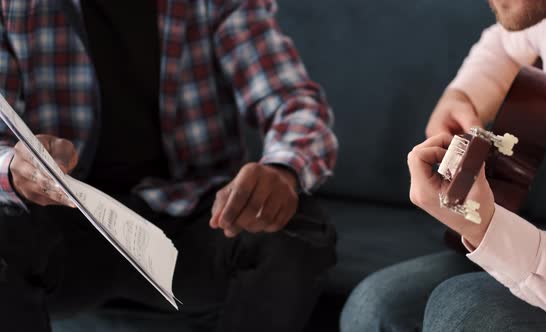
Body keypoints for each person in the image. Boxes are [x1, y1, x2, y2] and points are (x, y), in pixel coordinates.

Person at [0, 1, 338, 331]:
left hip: (191, 220)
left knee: (295, 230)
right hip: (63, 223)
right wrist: (15, 167)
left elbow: (292, 101)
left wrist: (282, 170)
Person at [341, 0, 546, 331]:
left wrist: (487, 229)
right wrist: (463, 98)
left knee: (465, 311)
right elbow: (503, 39)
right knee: (376, 306)